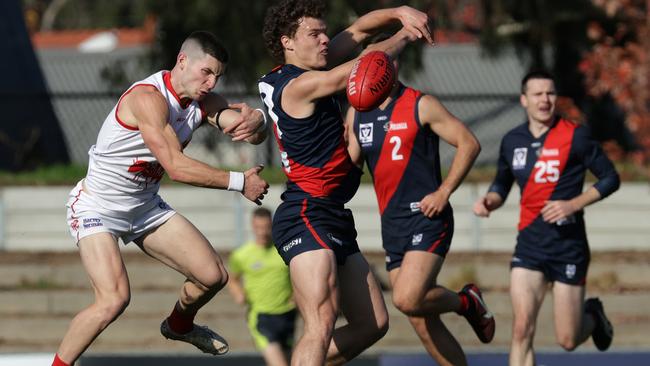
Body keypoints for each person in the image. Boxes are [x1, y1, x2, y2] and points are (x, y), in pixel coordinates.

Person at [53, 31, 270, 366]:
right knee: (113, 300)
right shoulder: (148, 99)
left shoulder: (202, 102)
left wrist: (259, 119)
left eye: (218, 76)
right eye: (206, 72)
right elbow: (176, 167)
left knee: (213, 276)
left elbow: (247, 130)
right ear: (182, 61)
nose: (212, 83)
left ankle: (179, 325)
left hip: (144, 208)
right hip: (98, 207)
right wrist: (239, 181)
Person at [258, 1, 433, 364]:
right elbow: (358, 68)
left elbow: (358, 31)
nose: (325, 40)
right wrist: (404, 34)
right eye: (315, 34)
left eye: (325, 32)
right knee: (321, 321)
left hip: (332, 212)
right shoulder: (297, 84)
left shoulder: (311, 62)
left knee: (373, 323)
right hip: (305, 211)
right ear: (288, 41)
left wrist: (400, 11)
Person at [344, 49, 493, 365]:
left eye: (392, 59)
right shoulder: (358, 111)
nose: (387, 66)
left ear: (396, 67)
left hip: (428, 217)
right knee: (421, 322)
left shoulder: (421, 104)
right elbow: (350, 165)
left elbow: (469, 142)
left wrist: (444, 191)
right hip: (392, 224)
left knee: (407, 298)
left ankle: (467, 302)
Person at [473, 70, 619, 366]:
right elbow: (502, 183)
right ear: (524, 100)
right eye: (538, 94)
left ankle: (593, 316)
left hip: (568, 247)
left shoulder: (575, 135)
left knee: (567, 339)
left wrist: (574, 204)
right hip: (529, 247)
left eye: (550, 93)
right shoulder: (512, 140)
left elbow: (610, 178)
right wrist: (490, 200)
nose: (545, 100)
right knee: (521, 329)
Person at [228, 207, 296, 366]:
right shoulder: (242, 255)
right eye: (258, 228)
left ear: (272, 225)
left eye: (266, 227)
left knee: (291, 362)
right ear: (252, 226)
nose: (262, 232)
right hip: (261, 317)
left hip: (288, 314)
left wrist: (298, 295)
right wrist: (238, 293)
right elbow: (233, 278)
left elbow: (297, 273)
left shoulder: (284, 250)